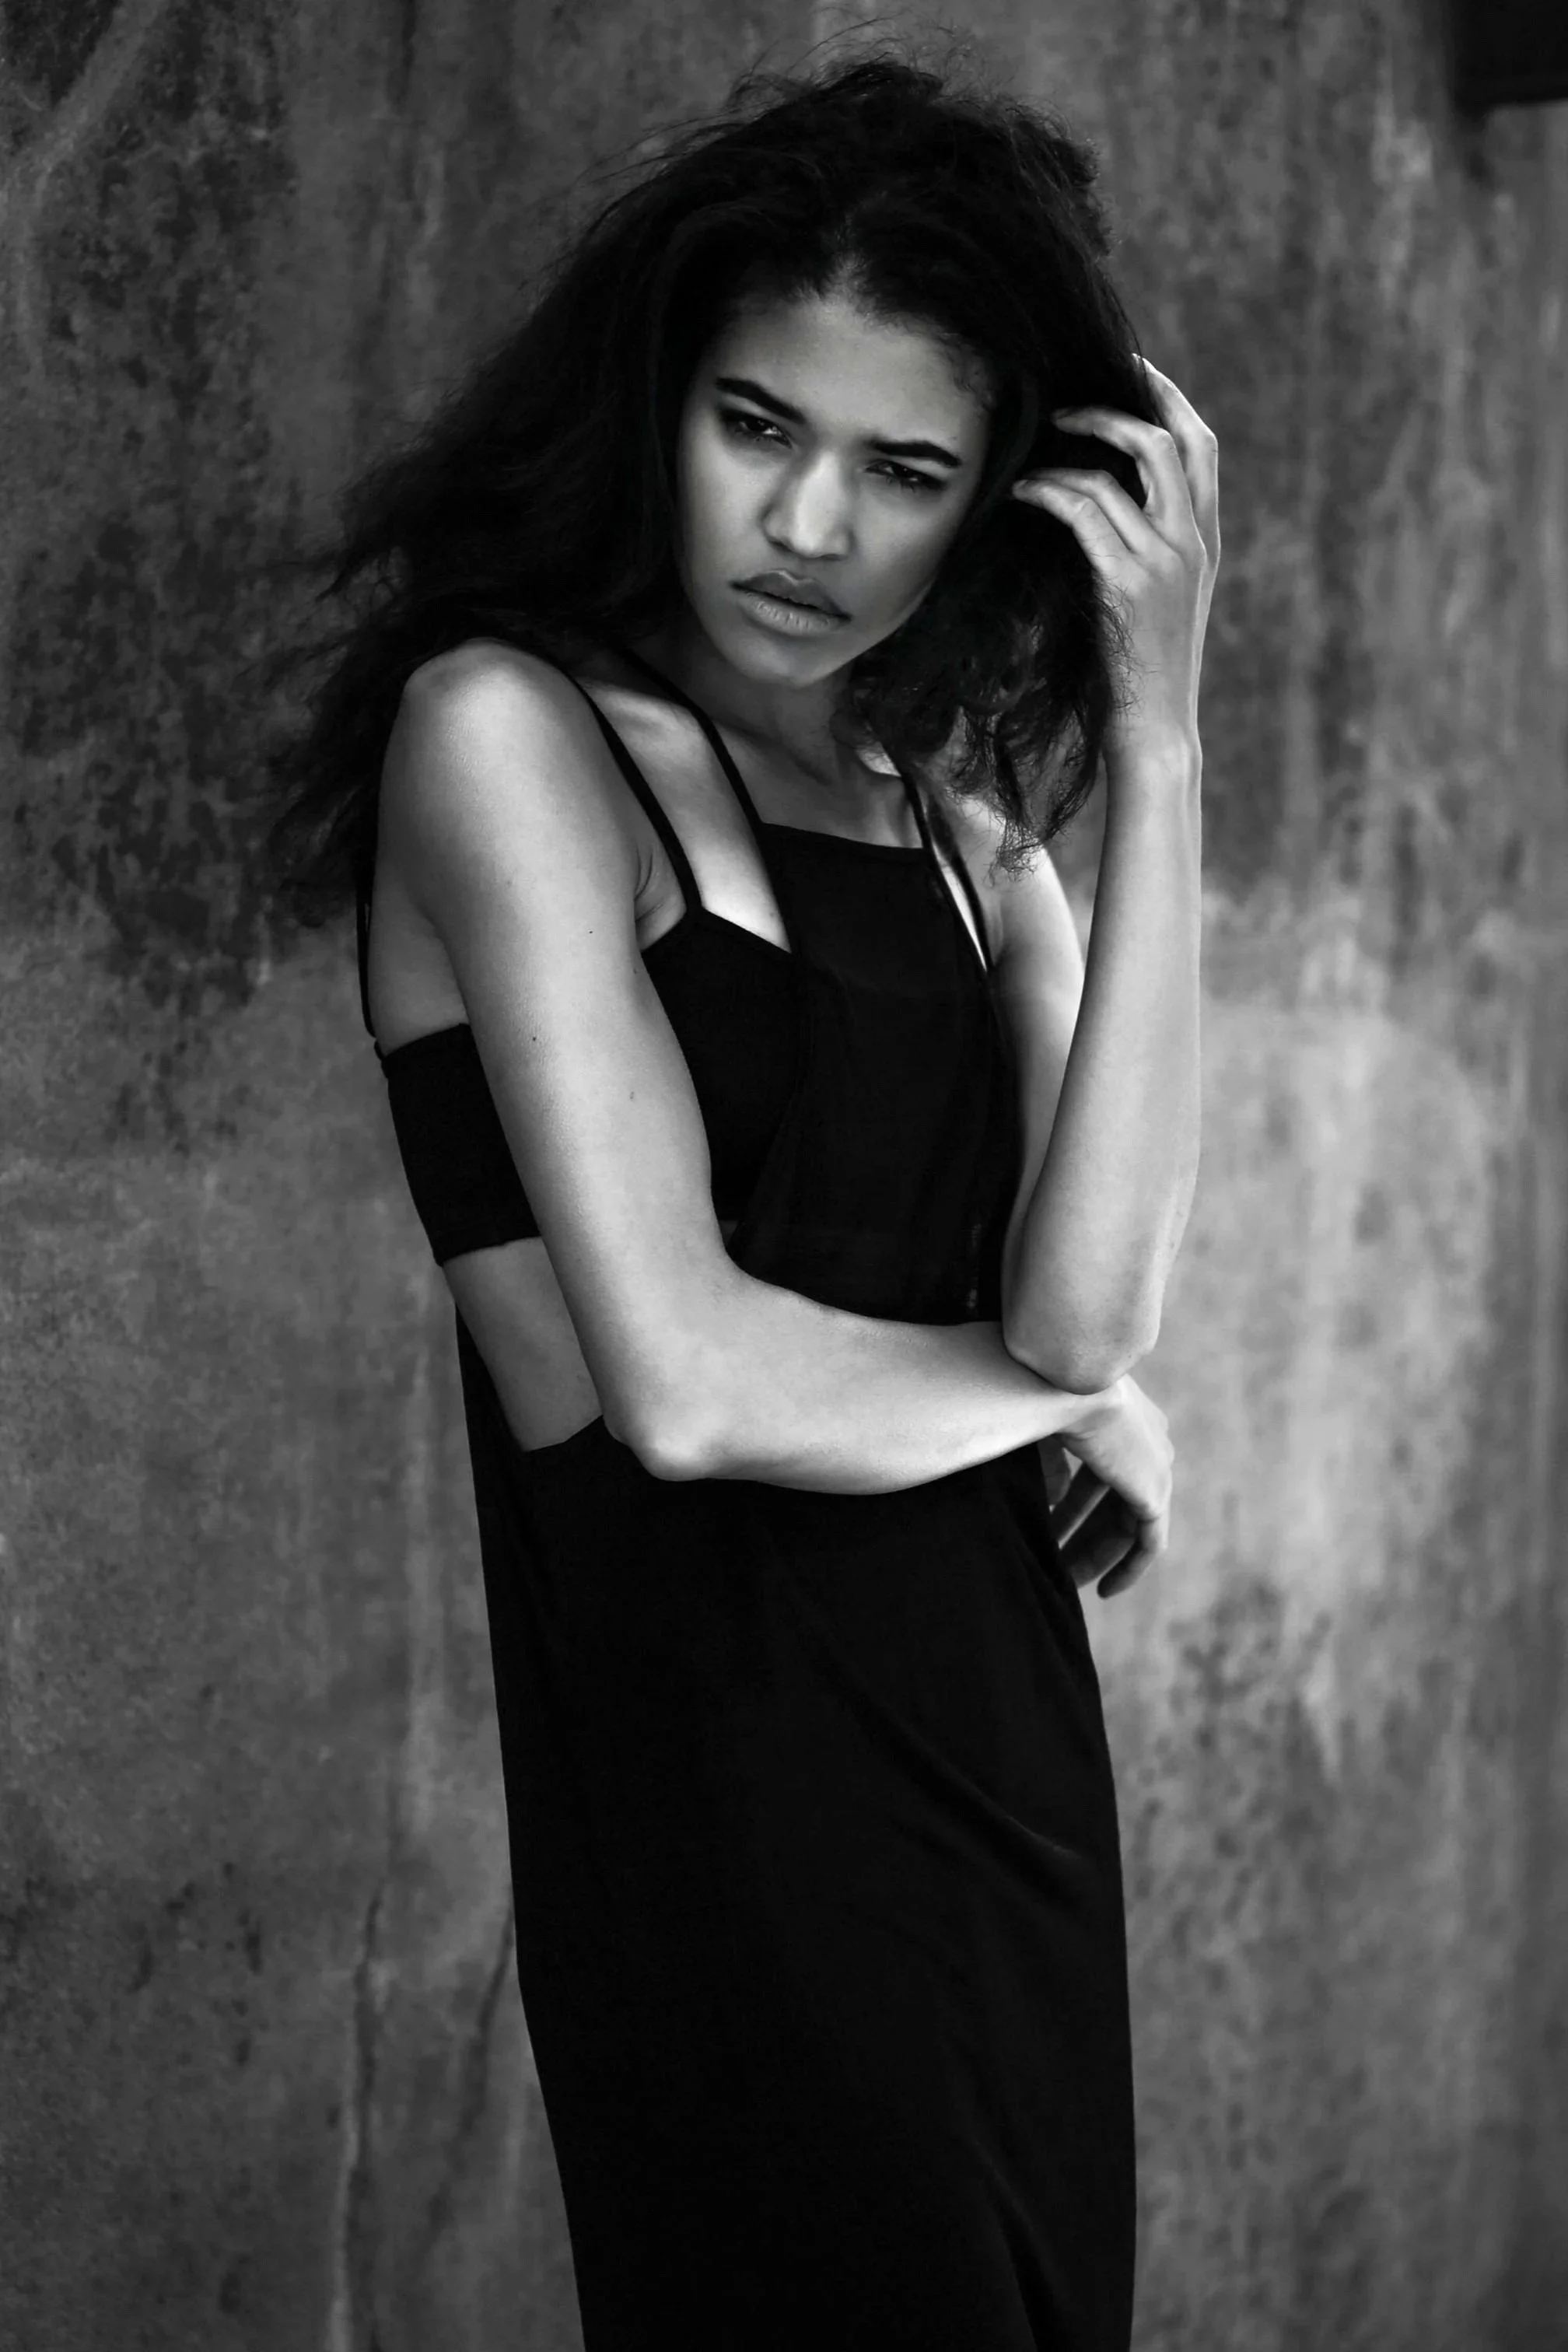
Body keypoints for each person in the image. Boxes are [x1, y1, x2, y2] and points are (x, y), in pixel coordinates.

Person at [267, 42, 1217, 2352]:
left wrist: (1165, 741)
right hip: (714, 1772)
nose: (812, 531)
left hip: (995, 1742)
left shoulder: (960, 802)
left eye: (906, 472)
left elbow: (1089, 1316)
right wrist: (1032, 1407)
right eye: (758, 430)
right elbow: (677, 1387)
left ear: (1000, 498)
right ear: (657, 405)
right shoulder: (511, 736)